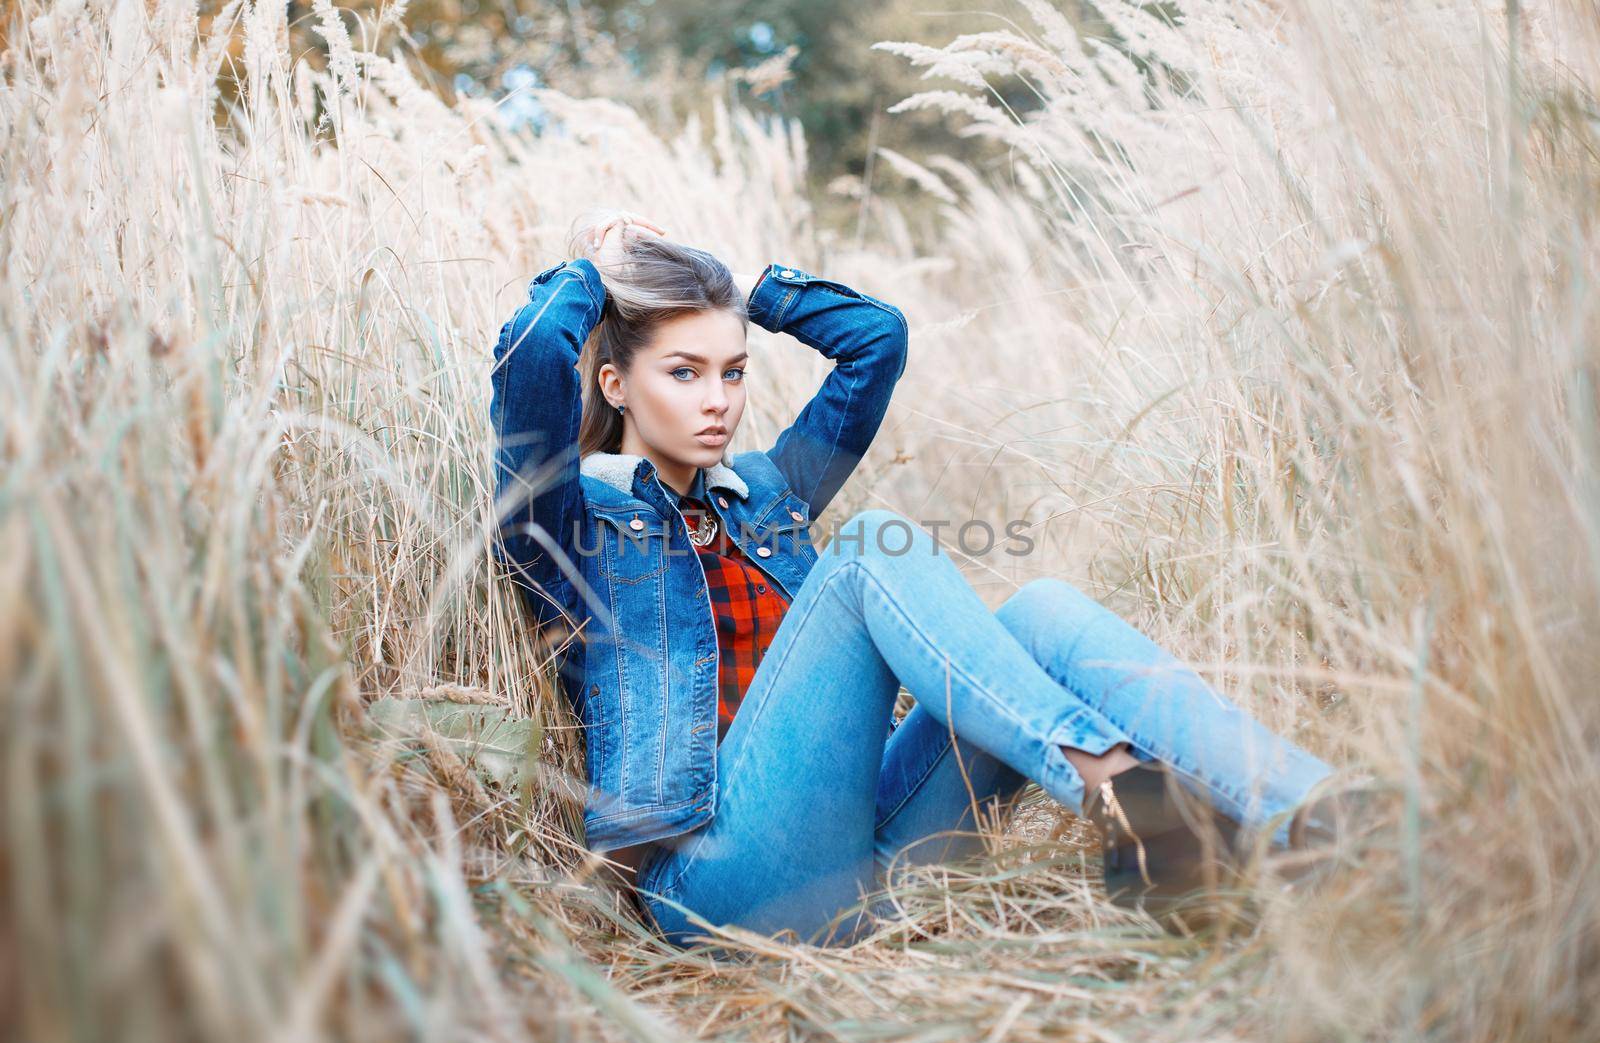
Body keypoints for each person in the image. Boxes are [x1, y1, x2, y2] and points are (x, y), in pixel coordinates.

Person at [490, 208, 1362, 952]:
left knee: (1044, 611)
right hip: (720, 889)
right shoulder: (572, 527)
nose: (718, 398)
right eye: (683, 373)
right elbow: (530, 360)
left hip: (878, 853)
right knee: (870, 545)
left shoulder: (765, 495)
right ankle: (1125, 799)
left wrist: (730, 280)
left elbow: (877, 342)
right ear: (616, 383)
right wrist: (600, 272)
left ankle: (1319, 816)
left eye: (733, 369)